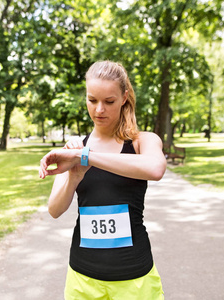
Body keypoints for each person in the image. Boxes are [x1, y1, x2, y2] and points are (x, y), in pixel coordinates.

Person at [39, 60, 167, 299]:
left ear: (124, 97)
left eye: (109, 101)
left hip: (134, 279)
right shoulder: (75, 149)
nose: (99, 110)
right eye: (92, 100)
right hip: (82, 278)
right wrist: (74, 176)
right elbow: (54, 210)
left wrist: (86, 156)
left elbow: (156, 168)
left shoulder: (142, 141)